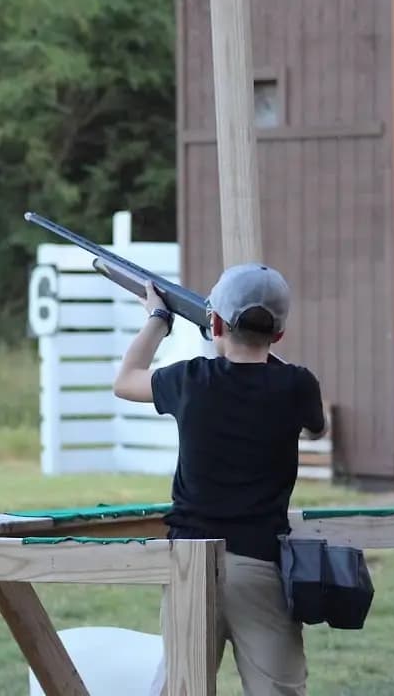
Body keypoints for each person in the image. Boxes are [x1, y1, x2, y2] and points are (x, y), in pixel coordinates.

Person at [111, 262, 328, 696]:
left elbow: (125, 380)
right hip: (259, 566)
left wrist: (159, 319)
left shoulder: (191, 379)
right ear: (279, 334)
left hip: (190, 560)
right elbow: (315, 428)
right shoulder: (296, 385)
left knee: (181, 688)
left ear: (214, 322)